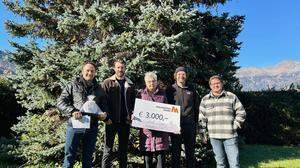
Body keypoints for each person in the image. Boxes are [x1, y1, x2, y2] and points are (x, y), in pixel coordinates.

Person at [57, 61, 108, 168]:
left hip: (92, 127)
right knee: (69, 156)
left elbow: (104, 105)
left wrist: (104, 114)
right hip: (75, 126)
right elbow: (61, 102)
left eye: (92, 71)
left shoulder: (99, 89)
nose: (89, 73)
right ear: (82, 71)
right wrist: (72, 111)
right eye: (87, 70)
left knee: (88, 158)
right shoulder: (72, 86)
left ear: (95, 73)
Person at [198, 75, 246, 168]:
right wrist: (202, 134)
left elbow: (241, 112)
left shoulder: (231, 96)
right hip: (214, 137)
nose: (216, 85)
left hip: (230, 136)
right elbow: (201, 119)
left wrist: (235, 125)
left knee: (234, 164)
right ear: (210, 86)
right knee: (220, 164)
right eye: (213, 84)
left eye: (218, 83)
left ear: (222, 84)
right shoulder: (205, 99)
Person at [101, 59, 135, 168]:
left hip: (125, 122)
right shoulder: (107, 82)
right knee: (108, 149)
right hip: (111, 121)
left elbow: (134, 102)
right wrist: (106, 117)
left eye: (122, 67)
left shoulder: (130, 84)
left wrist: (133, 114)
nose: (120, 69)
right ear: (114, 68)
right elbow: (102, 101)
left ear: (125, 68)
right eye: (118, 67)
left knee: (123, 150)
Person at [165, 67, 199, 168]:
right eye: (179, 74)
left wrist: (196, 123)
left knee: (190, 152)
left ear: (186, 76)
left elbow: (196, 107)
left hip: (190, 125)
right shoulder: (170, 89)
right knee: (175, 153)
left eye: (183, 74)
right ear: (175, 76)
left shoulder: (191, 89)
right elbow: (166, 107)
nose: (181, 76)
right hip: (175, 126)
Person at [137, 72, 169, 168]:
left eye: (153, 81)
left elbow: (168, 113)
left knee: (161, 161)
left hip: (161, 134)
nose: (151, 83)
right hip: (146, 134)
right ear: (145, 82)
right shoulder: (141, 94)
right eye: (149, 81)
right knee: (147, 162)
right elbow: (137, 111)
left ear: (156, 82)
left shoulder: (163, 94)